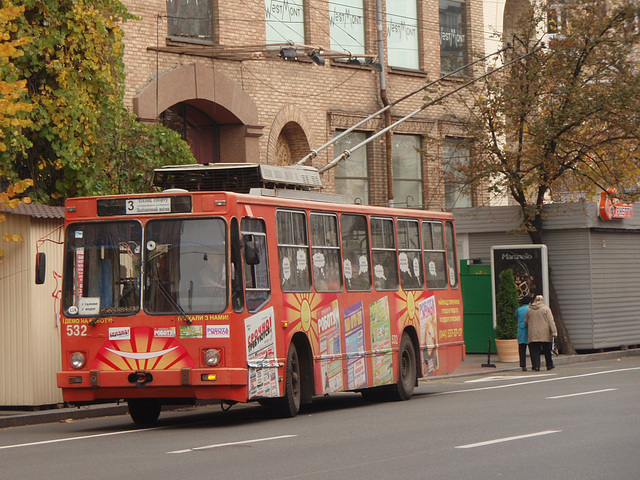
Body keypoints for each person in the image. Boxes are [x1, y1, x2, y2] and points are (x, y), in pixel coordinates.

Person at [525, 294, 557, 371]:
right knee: (547, 350)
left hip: (533, 333)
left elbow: (526, 321)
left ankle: (536, 366)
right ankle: (549, 364)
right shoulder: (546, 309)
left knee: (534, 350)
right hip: (544, 333)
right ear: (542, 301)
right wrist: (554, 332)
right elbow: (551, 321)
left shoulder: (529, 310)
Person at [515, 294, 532, 371]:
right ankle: (534, 364)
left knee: (522, 349)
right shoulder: (530, 309)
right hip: (529, 330)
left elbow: (516, 317)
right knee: (532, 349)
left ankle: (523, 365)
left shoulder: (519, 310)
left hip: (521, 330)